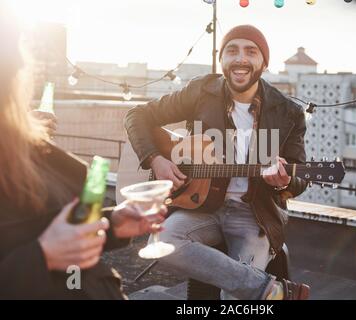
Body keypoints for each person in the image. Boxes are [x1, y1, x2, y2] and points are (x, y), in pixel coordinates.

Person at [125, 25, 310, 300]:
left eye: (251, 51)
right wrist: (157, 160)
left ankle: (254, 287)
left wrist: (285, 180)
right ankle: (269, 290)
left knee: (233, 298)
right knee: (161, 242)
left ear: (263, 62)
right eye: (232, 50)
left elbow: (299, 177)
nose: (240, 59)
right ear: (222, 58)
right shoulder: (201, 91)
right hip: (201, 206)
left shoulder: (288, 112)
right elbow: (137, 116)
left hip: (254, 215)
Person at [0, 1, 166, 299]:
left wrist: (113, 223)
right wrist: (42, 256)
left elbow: (40, 229)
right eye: (17, 47)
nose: (24, 63)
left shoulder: (16, 139)